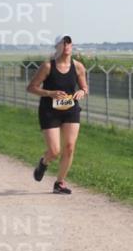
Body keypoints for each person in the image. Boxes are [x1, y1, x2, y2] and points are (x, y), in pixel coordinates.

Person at [26, 35, 88, 195]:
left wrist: (82, 92)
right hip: (49, 111)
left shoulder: (79, 67)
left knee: (69, 147)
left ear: (72, 46)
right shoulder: (48, 66)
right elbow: (31, 87)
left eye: (69, 42)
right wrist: (50, 93)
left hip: (71, 110)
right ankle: (44, 162)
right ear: (57, 47)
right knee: (54, 151)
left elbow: (84, 88)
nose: (66, 45)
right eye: (63, 42)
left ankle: (59, 183)